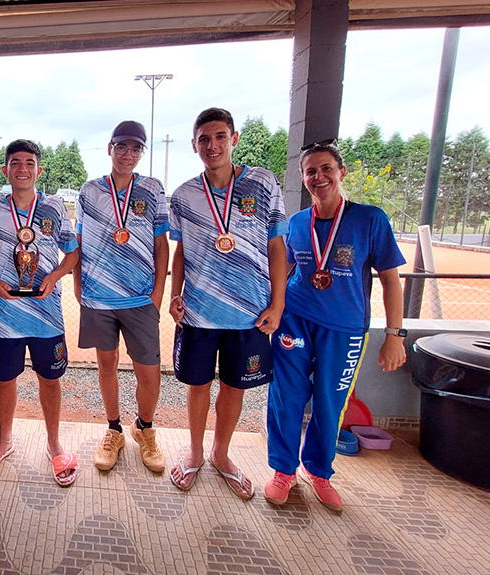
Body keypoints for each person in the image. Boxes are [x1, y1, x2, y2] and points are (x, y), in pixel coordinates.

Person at [264, 139, 407, 512]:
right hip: (294, 321)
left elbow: (391, 281)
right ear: (303, 178)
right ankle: (283, 470)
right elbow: (284, 273)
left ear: (341, 172)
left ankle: (320, 472)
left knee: (330, 403)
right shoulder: (297, 223)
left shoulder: (370, 219)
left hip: (345, 329)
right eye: (311, 171)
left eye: (326, 168)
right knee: (286, 397)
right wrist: (273, 310)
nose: (319, 176)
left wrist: (394, 336)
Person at [167, 107, 288, 499]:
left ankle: (221, 454)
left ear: (234, 139)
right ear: (194, 145)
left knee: (235, 388)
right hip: (199, 312)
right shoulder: (185, 195)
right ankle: (196, 452)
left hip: (251, 314)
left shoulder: (263, 183)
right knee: (198, 385)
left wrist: (278, 304)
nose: (212, 145)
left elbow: (276, 246)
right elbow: (180, 251)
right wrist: (175, 294)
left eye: (220, 136)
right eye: (204, 139)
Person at [0, 139, 80, 485]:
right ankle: (4, 441)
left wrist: (54, 276)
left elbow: (73, 254)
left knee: (50, 379)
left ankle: (54, 443)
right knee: (4, 379)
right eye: (15, 162)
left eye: (29, 162)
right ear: (5, 170)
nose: (22, 168)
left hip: (46, 314)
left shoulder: (55, 209)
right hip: (5, 314)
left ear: (38, 169)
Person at [74, 120, 169, 474]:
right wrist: (80, 284)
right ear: (110, 148)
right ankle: (113, 428)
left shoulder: (153, 190)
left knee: (150, 371)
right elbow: (80, 240)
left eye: (135, 148)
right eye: (122, 147)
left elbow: (162, 243)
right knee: (106, 363)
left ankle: (144, 428)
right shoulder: (89, 191)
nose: (128, 154)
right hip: (99, 296)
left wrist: (158, 293)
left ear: (141, 152)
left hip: (141, 297)